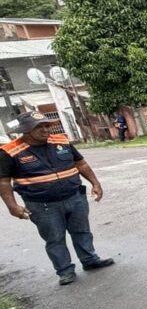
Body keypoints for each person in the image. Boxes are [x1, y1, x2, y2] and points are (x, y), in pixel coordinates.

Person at [0, 112, 115, 285]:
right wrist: (12, 206)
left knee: (82, 231)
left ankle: (90, 260)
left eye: (47, 125)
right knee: (55, 238)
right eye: (39, 127)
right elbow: (3, 181)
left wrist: (95, 183)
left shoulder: (61, 141)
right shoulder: (10, 151)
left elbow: (81, 163)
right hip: (42, 205)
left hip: (74, 196)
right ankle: (65, 271)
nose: (45, 130)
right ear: (25, 130)